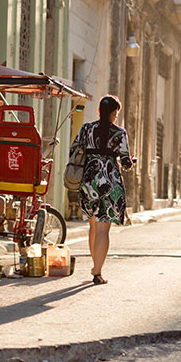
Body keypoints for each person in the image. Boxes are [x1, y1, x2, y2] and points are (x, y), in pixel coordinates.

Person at [69, 94, 134, 285]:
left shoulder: (86, 129)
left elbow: (74, 151)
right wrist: (131, 161)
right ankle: (97, 272)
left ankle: (95, 265)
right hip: (110, 183)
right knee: (104, 229)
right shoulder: (119, 133)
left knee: (93, 225)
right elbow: (126, 163)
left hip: (89, 181)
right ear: (114, 113)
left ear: (99, 111)